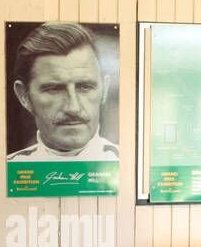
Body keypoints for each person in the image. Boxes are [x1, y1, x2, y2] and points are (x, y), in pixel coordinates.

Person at [8, 23, 118, 162]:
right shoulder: (7, 170)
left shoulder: (128, 166)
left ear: (105, 90)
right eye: (54, 89)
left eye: (85, 87)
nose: (73, 108)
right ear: (24, 96)